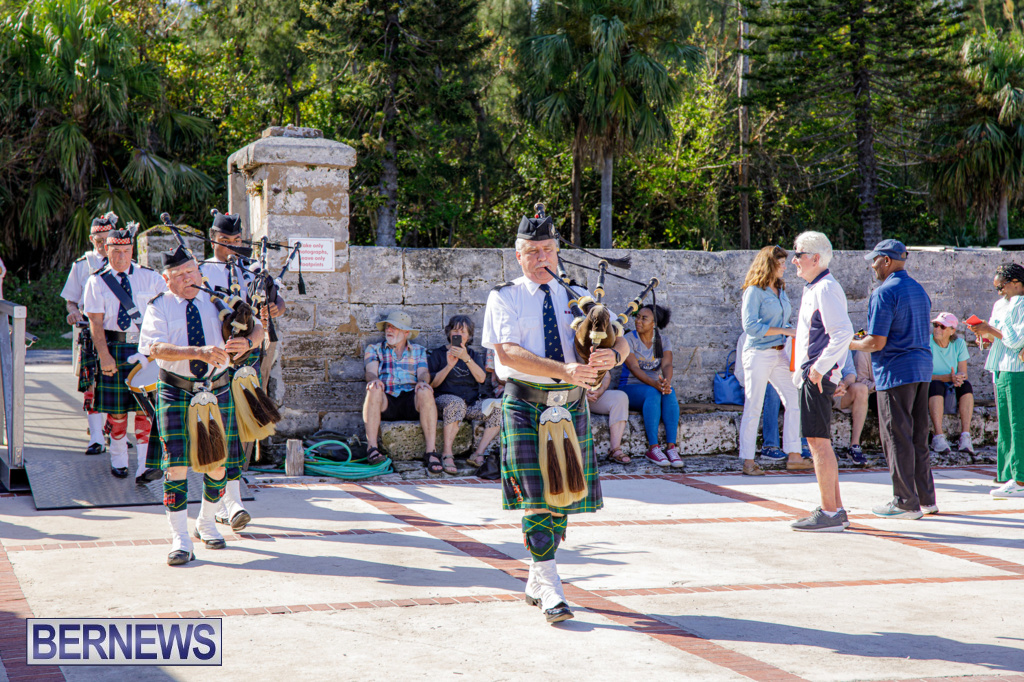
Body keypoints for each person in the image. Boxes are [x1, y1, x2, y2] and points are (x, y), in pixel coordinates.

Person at [482, 208, 628, 624]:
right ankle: (549, 582)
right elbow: (507, 352)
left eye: (548, 249)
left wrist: (609, 357)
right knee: (538, 495)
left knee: (565, 492)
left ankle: (536, 575)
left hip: (571, 404)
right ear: (519, 257)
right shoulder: (504, 296)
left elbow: (624, 345)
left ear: (559, 252)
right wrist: (563, 369)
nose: (542, 257)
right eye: (533, 251)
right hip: (526, 402)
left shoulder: (580, 296)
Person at [138, 246, 262, 565]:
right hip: (176, 390)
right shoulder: (159, 306)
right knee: (176, 466)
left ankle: (206, 522)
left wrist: (248, 342)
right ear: (167, 280)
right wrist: (198, 352)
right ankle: (180, 538)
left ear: (199, 270)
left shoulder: (219, 299)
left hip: (217, 388)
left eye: (191, 271)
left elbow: (259, 327)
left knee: (217, 465)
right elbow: (155, 348)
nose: (188, 278)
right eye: (179, 275)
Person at [201, 210, 286, 532]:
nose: (233, 248)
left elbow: (271, 307)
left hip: (244, 362)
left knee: (237, 429)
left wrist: (274, 309)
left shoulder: (252, 272)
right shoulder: (200, 273)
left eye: (238, 241)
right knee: (216, 433)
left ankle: (231, 502)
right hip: (211, 363)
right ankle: (222, 504)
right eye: (226, 242)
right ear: (213, 239)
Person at [851, 240, 936, 520]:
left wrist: (849, 343)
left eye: (875, 260)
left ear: (886, 261)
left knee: (897, 437)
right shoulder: (919, 290)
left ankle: (904, 502)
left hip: (896, 372)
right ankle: (926, 499)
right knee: (917, 437)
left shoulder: (884, 292)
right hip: (922, 370)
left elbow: (876, 342)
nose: (872, 265)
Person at [82, 227, 167, 479]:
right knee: (117, 411)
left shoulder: (151, 278)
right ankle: (118, 457)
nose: (121, 257)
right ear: (106, 250)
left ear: (133, 250)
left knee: (144, 409)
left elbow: (164, 312)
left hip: (145, 349)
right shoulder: (96, 281)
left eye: (126, 251)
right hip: (114, 348)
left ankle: (143, 465)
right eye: (116, 251)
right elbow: (95, 324)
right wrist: (104, 355)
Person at [790, 231, 853, 532]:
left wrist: (820, 369)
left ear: (815, 258)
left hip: (816, 376)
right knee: (818, 441)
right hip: (814, 374)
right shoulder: (816, 287)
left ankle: (829, 513)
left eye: (799, 254)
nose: (794, 260)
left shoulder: (825, 288)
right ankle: (835, 508)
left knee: (818, 443)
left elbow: (843, 332)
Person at [737, 245, 808, 475]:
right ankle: (748, 461)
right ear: (769, 264)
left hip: (779, 353)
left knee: (793, 399)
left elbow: (785, 321)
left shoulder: (780, 288)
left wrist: (790, 331)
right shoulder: (753, 291)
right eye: (781, 262)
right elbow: (751, 327)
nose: (785, 266)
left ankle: (794, 455)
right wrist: (785, 331)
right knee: (754, 405)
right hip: (758, 353)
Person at [968, 262, 1024, 497]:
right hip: (999, 366)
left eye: (1001, 287)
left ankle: (1019, 479)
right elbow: (999, 336)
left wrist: (991, 329)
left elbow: (1017, 341)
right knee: (1005, 424)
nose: (999, 292)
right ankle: (1008, 473)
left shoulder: (1021, 304)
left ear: (1015, 283)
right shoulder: (1001, 305)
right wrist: (985, 334)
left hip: (1016, 368)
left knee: (1017, 423)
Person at [61, 213, 115, 454]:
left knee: (118, 385)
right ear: (91, 238)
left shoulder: (125, 263)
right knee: (92, 384)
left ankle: (116, 432)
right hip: (91, 333)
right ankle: (96, 437)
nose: (103, 244)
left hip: (119, 333)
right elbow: (71, 301)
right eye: (99, 238)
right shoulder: (82, 265)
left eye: (107, 238)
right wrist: (73, 313)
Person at [363, 311, 438, 471]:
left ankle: (431, 452)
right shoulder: (374, 348)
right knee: (373, 388)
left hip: (410, 400)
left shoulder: (418, 350)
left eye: (394, 327)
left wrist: (423, 382)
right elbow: (370, 372)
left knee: (426, 390)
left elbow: (424, 372)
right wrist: (374, 380)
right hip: (386, 400)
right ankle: (372, 448)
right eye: (388, 326)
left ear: (406, 333)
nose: (389, 330)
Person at [428, 315, 501, 473]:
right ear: (449, 333)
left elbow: (481, 378)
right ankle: (447, 454)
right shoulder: (439, 354)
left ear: (469, 336)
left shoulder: (473, 356)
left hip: (470, 403)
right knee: (456, 403)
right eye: (455, 330)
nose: (458, 334)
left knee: (499, 408)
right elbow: (432, 384)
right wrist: (449, 366)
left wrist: (466, 358)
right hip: (444, 401)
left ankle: (478, 453)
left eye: (463, 332)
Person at [619, 304, 681, 467]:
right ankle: (653, 448)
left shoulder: (662, 341)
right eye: (637, 317)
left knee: (670, 392)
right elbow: (634, 367)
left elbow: (667, 365)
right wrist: (656, 384)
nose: (638, 321)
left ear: (654, 323)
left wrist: (666, 382)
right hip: (629, 388)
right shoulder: (629, 339)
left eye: (643, 318)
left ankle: (671, 448)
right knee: (653, 393)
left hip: (654, 387)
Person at [928, 312, 974, 457]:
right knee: (936, 385)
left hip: (951, 383)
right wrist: (946, 377)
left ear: (952, 331)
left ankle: (965, 436)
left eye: (942, 327)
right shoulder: (927, 343)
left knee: (966, 386)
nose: (937, 329)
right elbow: (923, 375)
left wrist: (959, 377)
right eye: (936, 325)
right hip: (933, 385)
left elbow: (963, 372)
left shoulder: (959, 344)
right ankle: (938, 436)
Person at [833, 351, 870, 464]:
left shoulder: (843, 343)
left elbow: (850, 373)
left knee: (861, 389)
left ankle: (854, 445)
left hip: (839, 391)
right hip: (821, 388)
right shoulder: (818, 339)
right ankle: (826, 446)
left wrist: (844, 385)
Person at [587, 371, 632, 465]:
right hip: (574, 395)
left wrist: (599, 391)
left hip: (594, 394)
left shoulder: (596, 355)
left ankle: (615, 450)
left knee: (620, 397)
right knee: (582, 402)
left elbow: (606, 376)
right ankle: (586, 450)